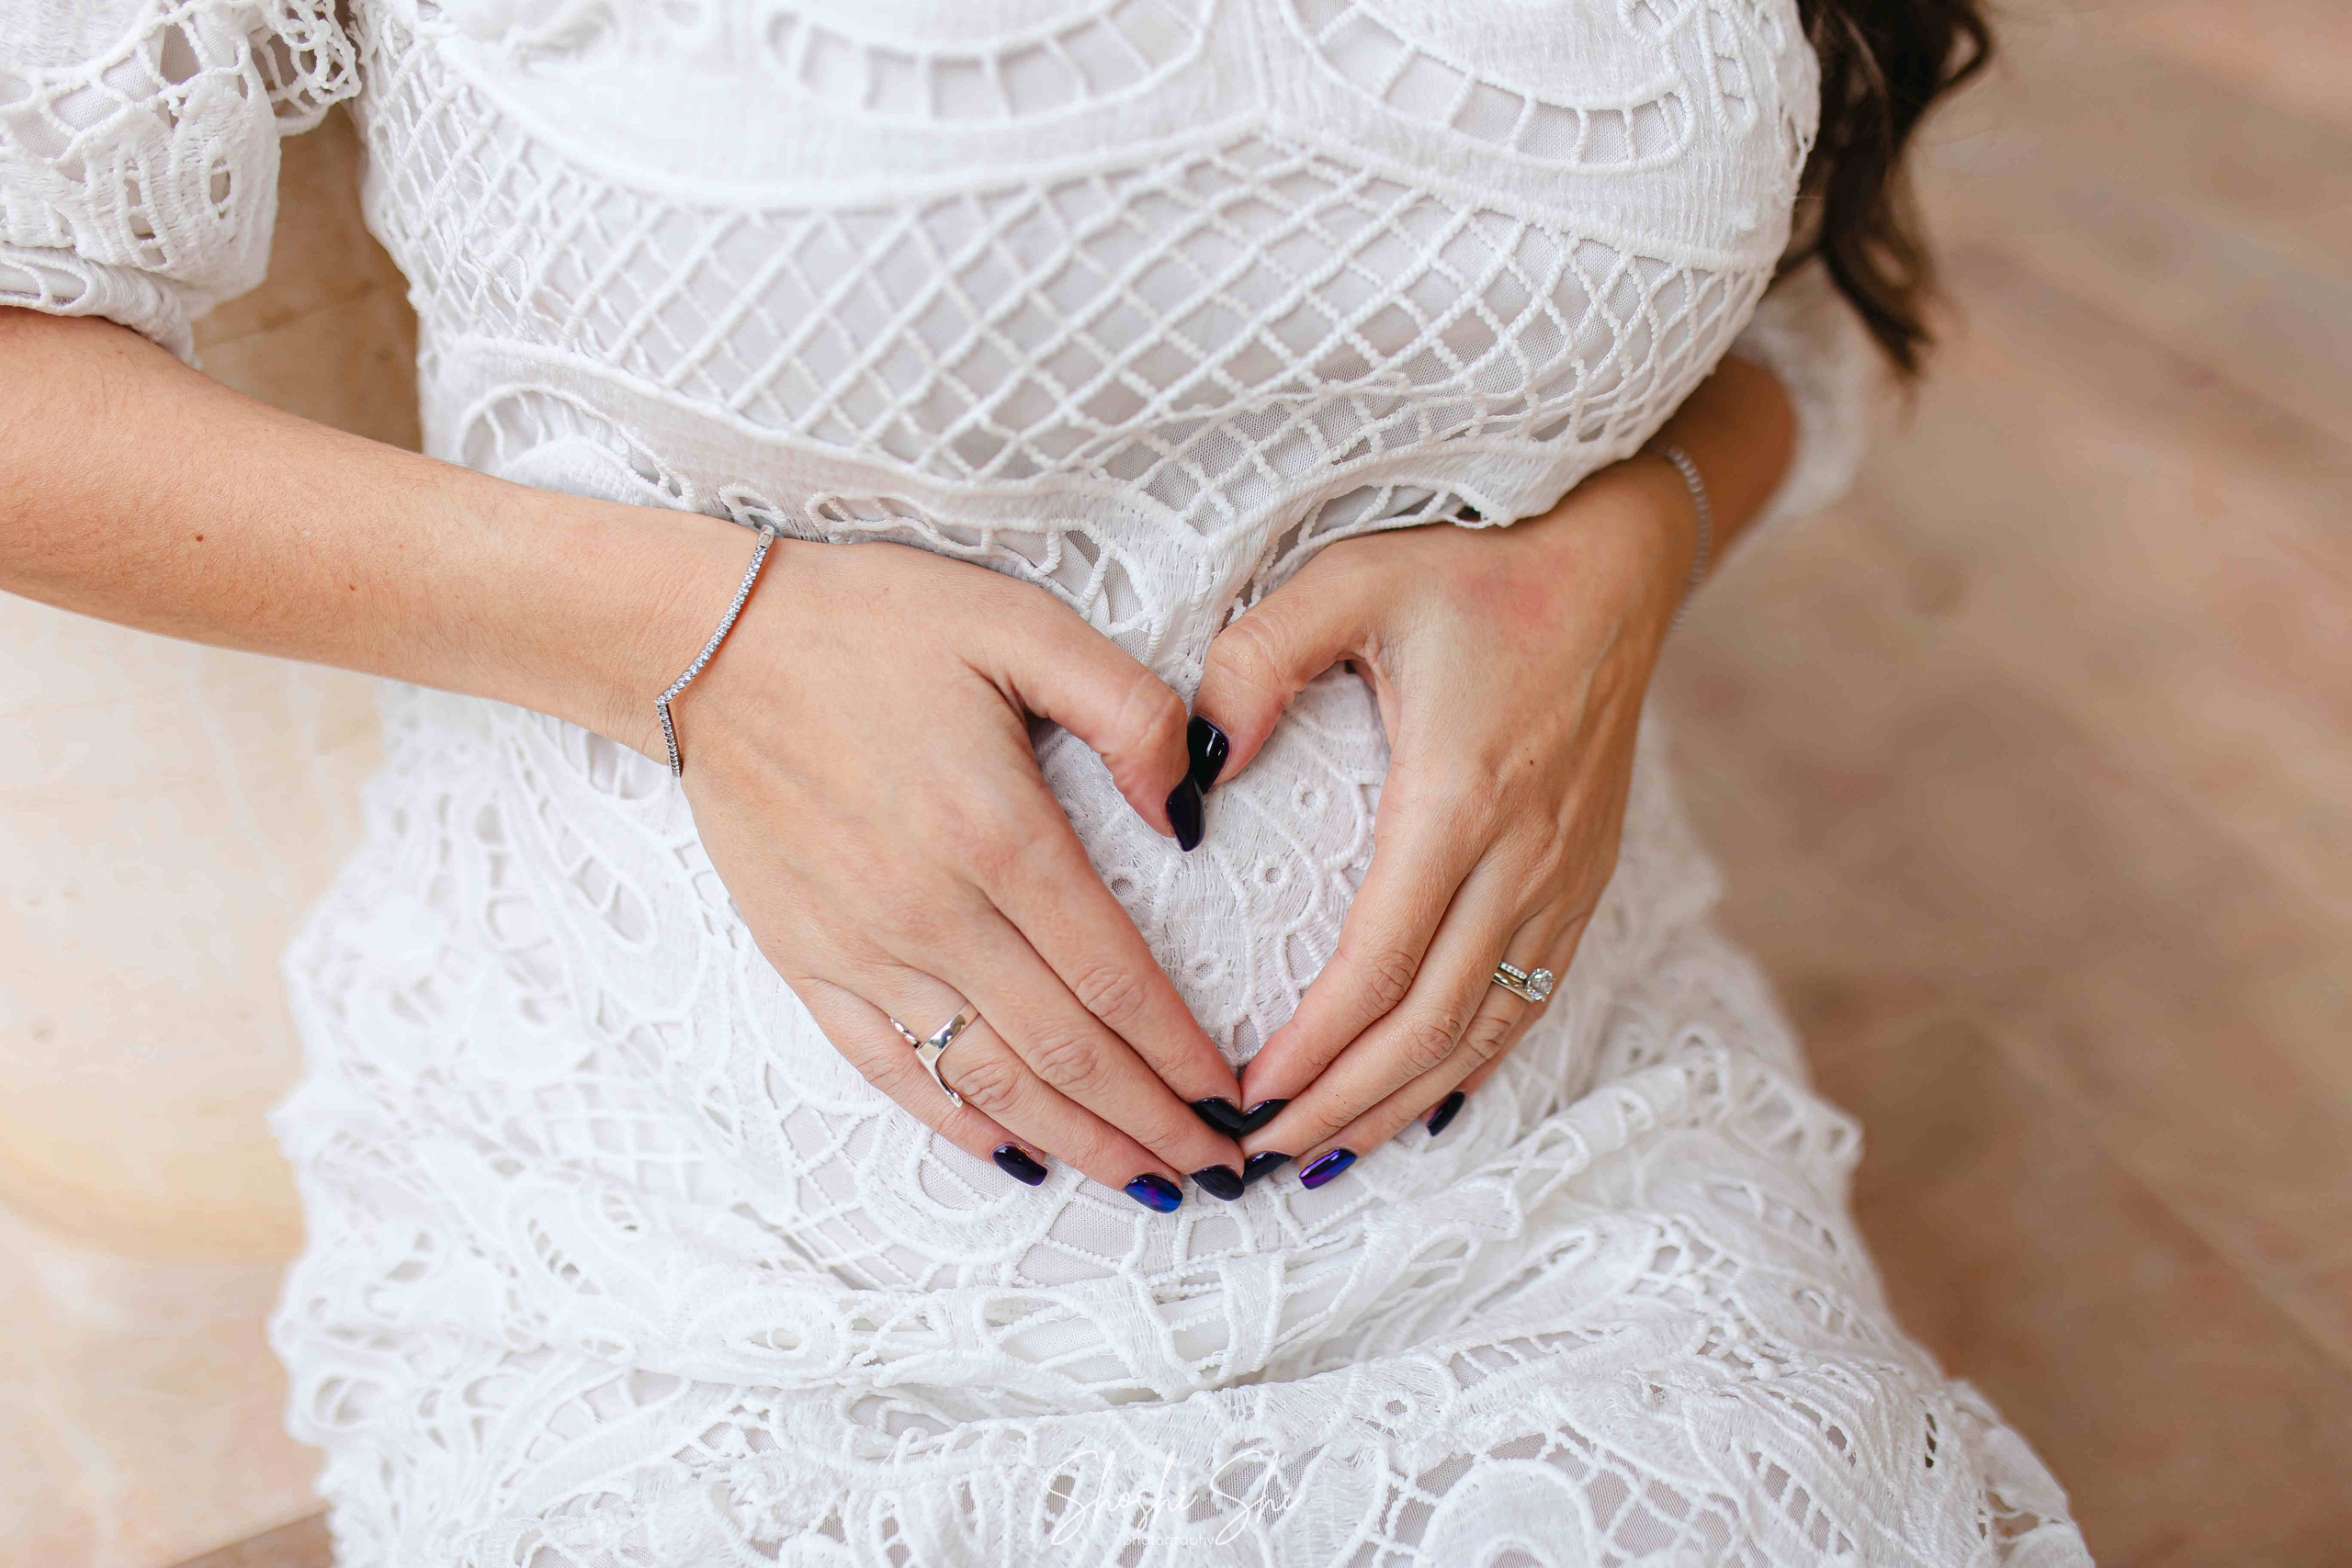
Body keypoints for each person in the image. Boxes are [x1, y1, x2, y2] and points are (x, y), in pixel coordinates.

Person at [0, 0, 2090, 1561]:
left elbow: (1807, 305)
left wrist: (1619, 550)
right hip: (723, 1239)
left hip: (1560, 1156)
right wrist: (698, 637)